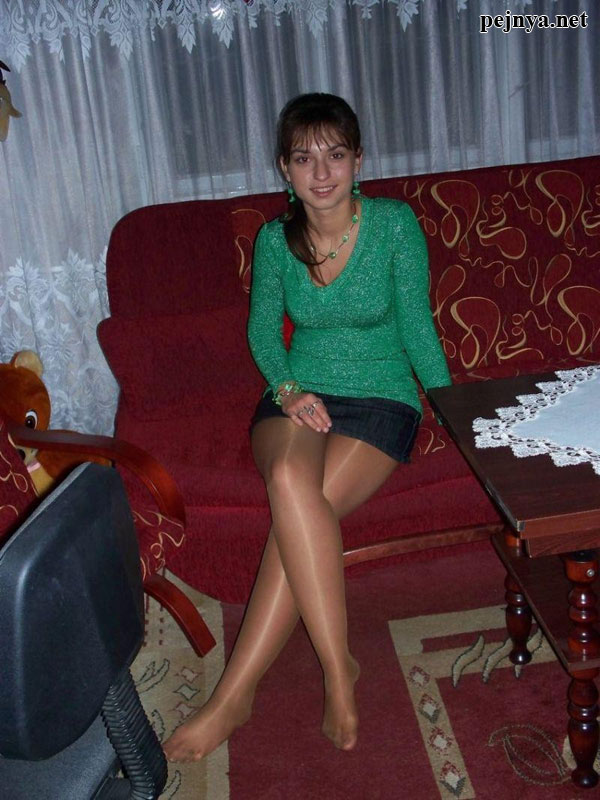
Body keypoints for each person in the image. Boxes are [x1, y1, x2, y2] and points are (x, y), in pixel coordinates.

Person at [163, 92, 451, 762]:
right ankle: (336, 667)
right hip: (297, 394)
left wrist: (453, 407)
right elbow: (263, 333)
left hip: (382, 397)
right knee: (292, 478)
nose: (321, 172)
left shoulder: (395, 226)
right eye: (303, 158)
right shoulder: (275, 240)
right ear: (284, 170)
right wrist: (290, 390)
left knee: (297, 510)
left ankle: (236, 695)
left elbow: (418, 326)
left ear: (359, 160)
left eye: (335, 154)